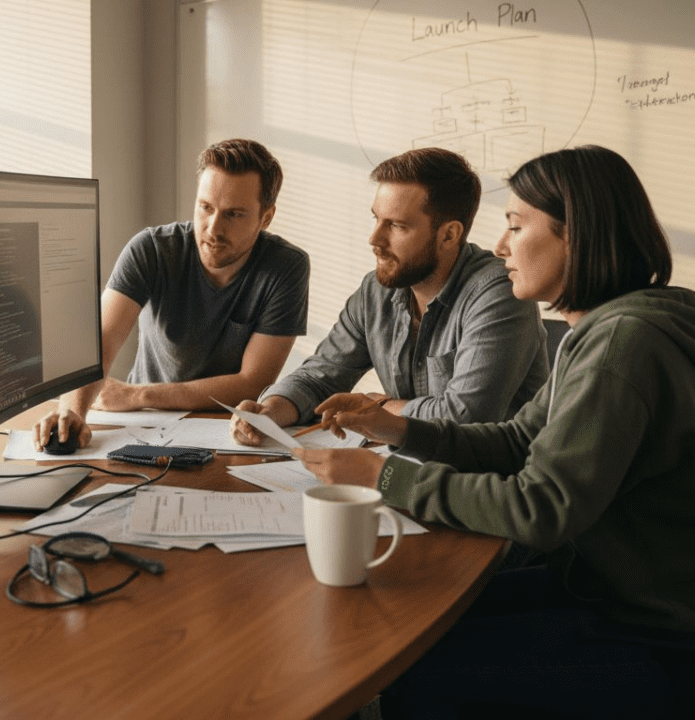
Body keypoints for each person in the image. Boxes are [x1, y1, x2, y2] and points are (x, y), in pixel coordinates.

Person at [295, 145, 695, 719]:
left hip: (650, 629)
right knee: (398, 619)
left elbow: (541, 506)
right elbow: (515, 442)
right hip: (600, 586)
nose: (502, 245)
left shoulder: (620, 344)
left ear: (575, 237)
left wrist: (384, 477)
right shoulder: (608, 327)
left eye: (516, 225)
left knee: (410, 659)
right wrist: (398, 430)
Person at [230, 147, 548, 446]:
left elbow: (465, 417)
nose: (375, 239)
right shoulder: (377, 290)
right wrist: (271, 410)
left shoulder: (500, 292)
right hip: (410, 464)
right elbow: (319, 378)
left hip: (490, 476)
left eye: (396, 226)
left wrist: (377, 405)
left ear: (449, 235)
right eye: (376, 219)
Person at [35, 138, 310, 451]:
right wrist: (71, 412)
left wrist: (138, 395)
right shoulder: (151, 249)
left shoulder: (287, 267)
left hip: (227, 433)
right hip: (143, 425)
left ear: (266, 217)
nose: (213, 229)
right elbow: (98, 346)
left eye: (234, 214)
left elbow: (252, 382)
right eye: (206, 208)